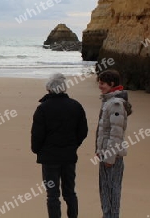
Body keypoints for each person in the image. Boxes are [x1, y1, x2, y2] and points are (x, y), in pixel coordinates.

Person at [31, 73, 88, 218]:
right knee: (70, 192)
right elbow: (82, 131)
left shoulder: (43, 108)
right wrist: (74, 145)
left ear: (48, 88)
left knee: (52, 194)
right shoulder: (76, 106)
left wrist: (37, 149)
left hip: (50, 158)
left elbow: (37, 134)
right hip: (69, 156)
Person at [96, 69, 132, 218]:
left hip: (113, 156)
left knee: (112, 190)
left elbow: (115, 134)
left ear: (112, 84)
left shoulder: (116, 104)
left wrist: (109, 157)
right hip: (105, 153)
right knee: (105, 190)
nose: (100, 86)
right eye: (99, 82)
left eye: (102, 83)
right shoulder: (109, 101)